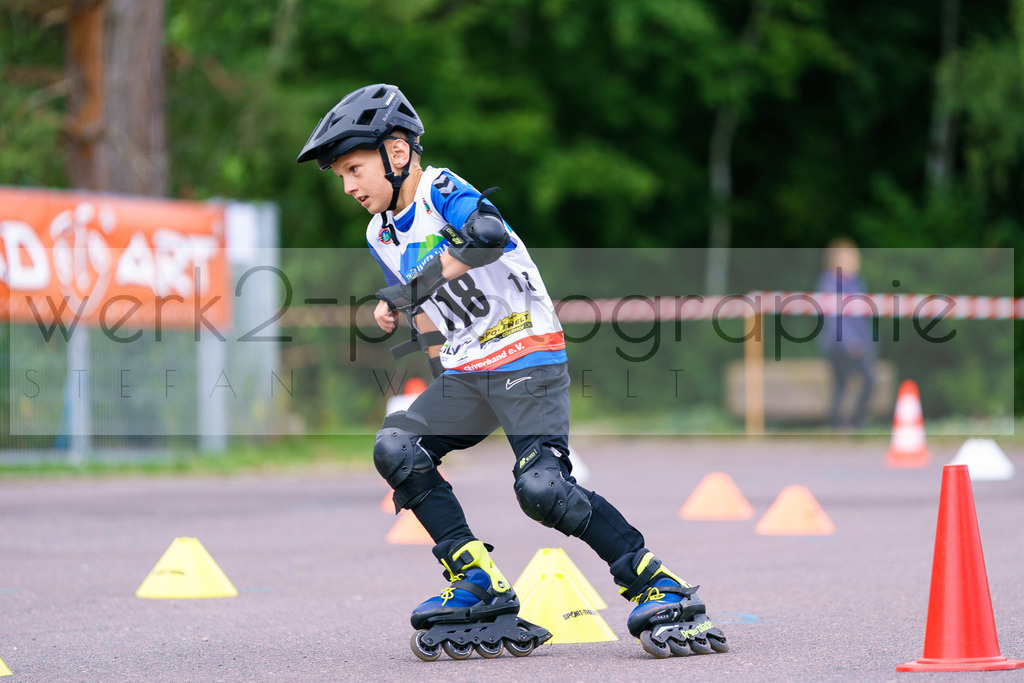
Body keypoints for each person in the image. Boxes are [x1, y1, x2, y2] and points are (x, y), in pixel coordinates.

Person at [296, 84, 728, 660]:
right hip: (468, 371)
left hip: (528, 356)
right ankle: (477, 581)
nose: (348, 186)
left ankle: (656, 583)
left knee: (542, 488)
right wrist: (425, 346)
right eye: (340, 176)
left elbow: (488, 237)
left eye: (354, 168)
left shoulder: (440, 188)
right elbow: (427, 315)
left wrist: (410, 290)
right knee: (398, 445)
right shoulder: (380, 233)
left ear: (397, 154)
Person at [817, 238, 877, 430]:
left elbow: (862, 315)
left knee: (863, 382)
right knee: (844, 385)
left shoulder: (857, 282)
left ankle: (852, 422)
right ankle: (840, 424)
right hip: (838, 344)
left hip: (858, 342)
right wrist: (849, 340)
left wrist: (869, 341)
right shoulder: (829, 281)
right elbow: (834, 317)